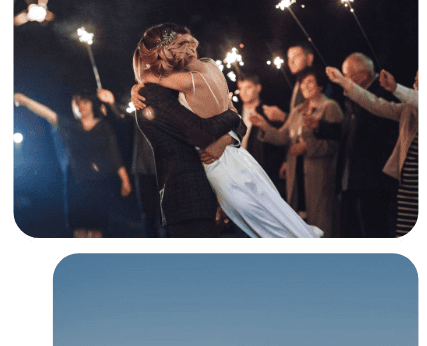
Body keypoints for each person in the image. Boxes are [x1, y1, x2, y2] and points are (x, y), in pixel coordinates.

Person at [131, 23, 322, 238]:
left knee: (266, 221)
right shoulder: (208, 67)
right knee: (269, 216)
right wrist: (230, 126)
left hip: (225, 165)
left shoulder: (189, 80)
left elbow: (218, 125)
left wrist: (141, 78)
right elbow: (228, 118)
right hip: (222, 171)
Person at [14, 90, 132, 237]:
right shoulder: (70, 125)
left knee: (97, 228)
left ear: (91, 104)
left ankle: (94, 259)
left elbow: (114, 154)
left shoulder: (104, 127)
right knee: (80, 228)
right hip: (76, 183)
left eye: (84, 102)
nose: (80, 106)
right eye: (77, 103)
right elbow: (47, 113)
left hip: (100, 183)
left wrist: (125, 179)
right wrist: (25, 100)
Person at [327, 67, 419, 237]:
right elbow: (377, 104)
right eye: (415, 80)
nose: (415, 84)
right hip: (407, 184)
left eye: (419, 81)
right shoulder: (407, 109)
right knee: (405, 231)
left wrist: (396, 88)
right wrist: (344, 81)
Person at [257, 67, 342, 236]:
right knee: (299, 223)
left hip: (320, 176)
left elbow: (335, 143)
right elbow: (283, 137)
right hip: (296, 176)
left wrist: (307, 147)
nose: (305, 86)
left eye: (310, 82)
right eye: (302, 83)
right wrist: (264, 126)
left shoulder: (329, 107)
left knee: (322, 225)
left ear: (320, 85)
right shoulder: (297, 111)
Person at [235, 73, 287, 201]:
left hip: (265, 170)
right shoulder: (235, 113)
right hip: (240, 169)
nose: (243, 92)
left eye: (248, 87)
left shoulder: (268, 112)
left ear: (258, 88)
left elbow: (283, 138)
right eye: (241, 88)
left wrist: (285, 161)